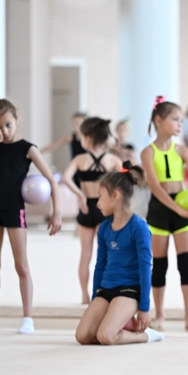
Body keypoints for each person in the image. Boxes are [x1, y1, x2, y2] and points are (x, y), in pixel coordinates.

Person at [0, 94, 62, 335]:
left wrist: (56, 212)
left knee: (21, 265)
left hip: (14, 210)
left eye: (8, 125)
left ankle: (28, 317)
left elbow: (52, 180)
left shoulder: (27, 148)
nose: (3, 131)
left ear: (17, 120)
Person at [75, 163, 164, 345]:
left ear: (116, 195)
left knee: (105, 336)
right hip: (106, 290)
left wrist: (145, 308)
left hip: (129, 291)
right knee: (83, 336)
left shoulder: (139, 228)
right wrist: (95, 300)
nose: (97, 203)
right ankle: (118, 323)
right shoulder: (104, 228)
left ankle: (146, 335)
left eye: (100, 197)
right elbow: (100, 266)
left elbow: (145, 269)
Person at [141, 97, 188, 331]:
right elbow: (155, 187)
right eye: (175, 119)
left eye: (181, 120)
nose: (180, 124)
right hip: (160, 209)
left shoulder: (182, 150)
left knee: (186, 262)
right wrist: (179, 210)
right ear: (158, 121)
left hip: (183, 206)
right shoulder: (147, 153)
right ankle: (159, 314)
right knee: (159, 264)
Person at [62, 117, 123, 304]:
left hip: (86, 207)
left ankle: (84, 295)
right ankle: (103, 292)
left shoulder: (80, 159)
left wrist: (80, 195)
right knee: (107, 254)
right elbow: (125, 183)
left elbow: (65, 178)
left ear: (88, 138)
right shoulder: (113, 160)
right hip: (105, 209)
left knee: (85, 255)